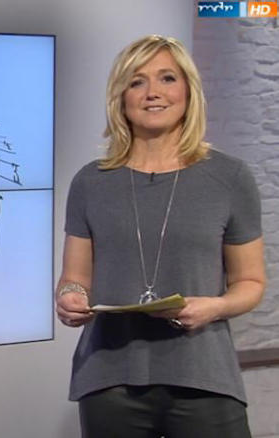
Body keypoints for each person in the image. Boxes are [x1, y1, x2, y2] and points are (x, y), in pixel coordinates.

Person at [55, 35, 265, 438]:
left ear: (188, 91)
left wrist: (215, 307)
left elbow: (251, 282)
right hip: (110, 380)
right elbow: (74, 277)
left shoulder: (230, 178)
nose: (153, 92)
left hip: (203, 377)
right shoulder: (91, 182)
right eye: (137, 81)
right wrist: (70, 297)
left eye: (167, 78)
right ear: (121, 98)